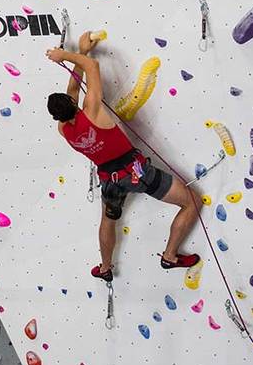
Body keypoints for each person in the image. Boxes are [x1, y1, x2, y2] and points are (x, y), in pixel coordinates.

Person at [45, 32, 199, 282]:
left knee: (108, 221)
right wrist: (65, 55)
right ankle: (170, 255)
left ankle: (105, 267)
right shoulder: (92, 111)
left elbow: (73, 89)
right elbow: (92, 68)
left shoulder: (64, 130)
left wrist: (81, 52)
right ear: (74, 104)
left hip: (110, 179)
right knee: (191, 202)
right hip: (136, 171)